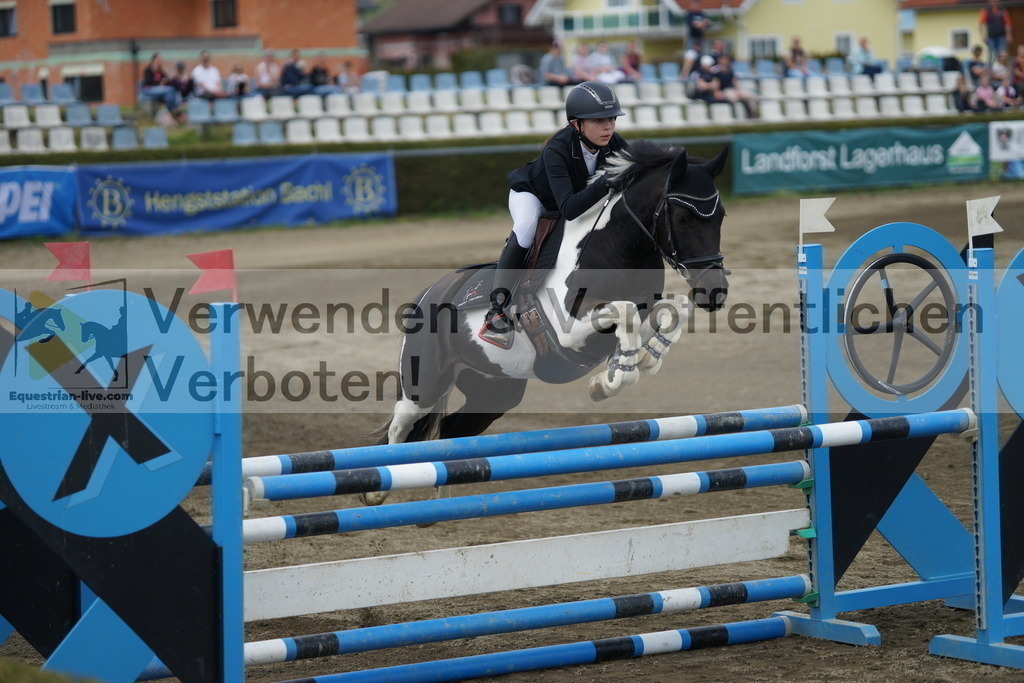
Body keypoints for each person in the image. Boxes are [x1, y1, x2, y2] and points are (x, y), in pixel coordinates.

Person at [479, 81, 629, 347]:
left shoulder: (614, 144)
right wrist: (606, 181)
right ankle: (497, 310)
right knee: (525, 228)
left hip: (573, 200)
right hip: (535, 196)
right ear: (576, 123)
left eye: (612, 118)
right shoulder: (557, 148)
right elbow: (569, 209)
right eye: (598, 120)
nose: (608, 126)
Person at [979, 0, 1013, 65]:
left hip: (1001, 36)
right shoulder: (986, 11)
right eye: (993, 1)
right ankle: (990, 70)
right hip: (991, 36)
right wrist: (982, 35)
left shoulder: (1002, 10)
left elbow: (1007, 24)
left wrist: (1009, 35)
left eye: (996, 1)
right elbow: (981, 24)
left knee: (1002, 53)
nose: (994, 2)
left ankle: (1003, 69)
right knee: (992, 53)